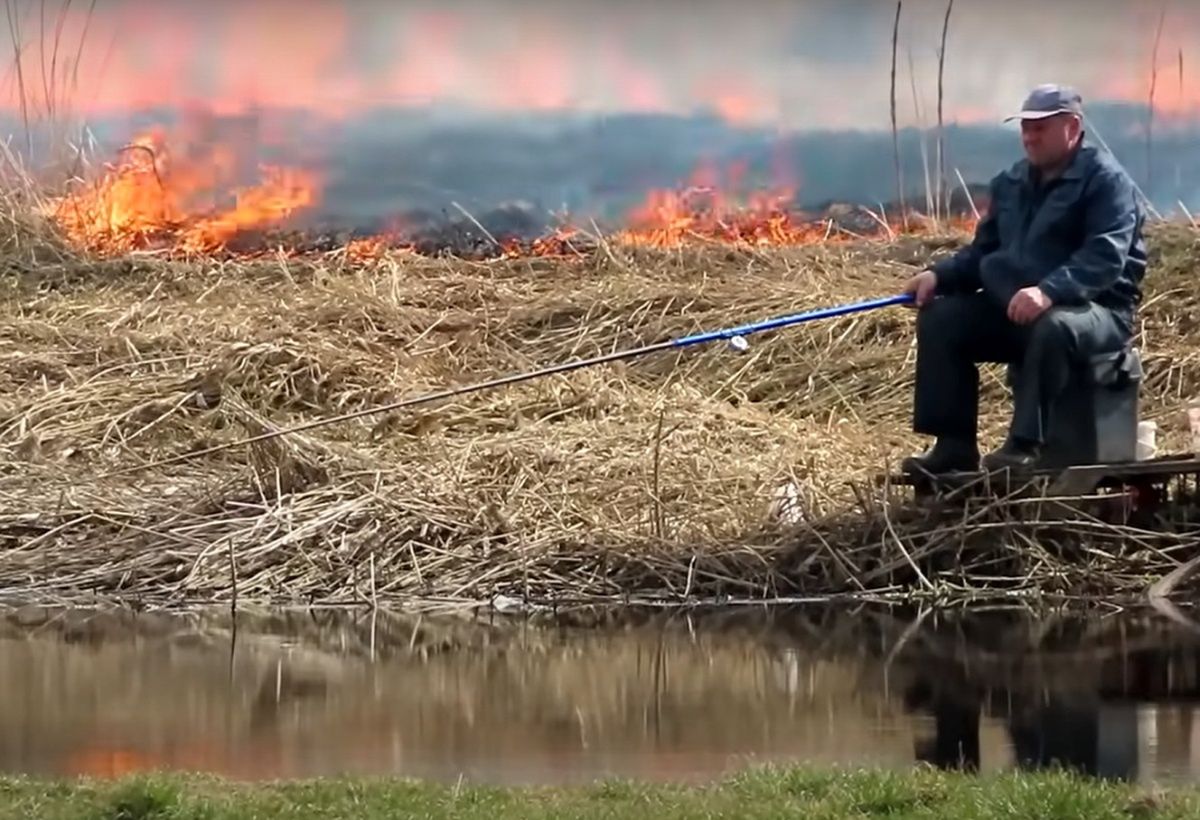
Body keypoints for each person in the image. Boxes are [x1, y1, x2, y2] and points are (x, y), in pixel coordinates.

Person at [901, 84, 1148, 474]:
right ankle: (953, 446)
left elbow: (1105, 257)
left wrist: (1050, 291)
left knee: (1053, 326)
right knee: (942, 320)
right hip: (1020, 307)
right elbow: (985, 250)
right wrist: (939, 275)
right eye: (1025, 128)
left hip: (1097, 311)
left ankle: (1024, 446)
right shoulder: (1011, 183)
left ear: (1072, 127)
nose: (1029, 138)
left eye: (1040, 128)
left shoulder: (1107, 182)